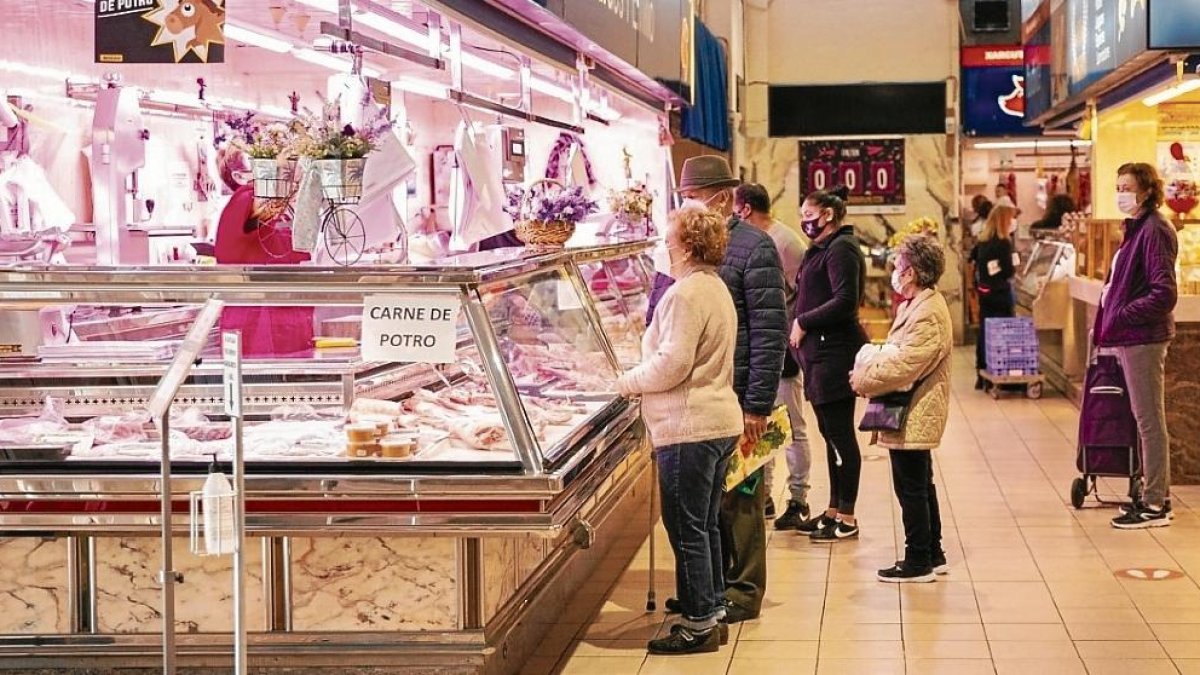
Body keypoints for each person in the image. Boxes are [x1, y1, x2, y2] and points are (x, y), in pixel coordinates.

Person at [649, 156, 787, 624]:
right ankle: (707, 588)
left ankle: (744, 591)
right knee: (707, 505)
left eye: (694, 197)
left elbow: (769, 330)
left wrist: (758, 404)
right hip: (697, 398)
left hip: (738, 395)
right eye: (684, 198)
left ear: (724, 198)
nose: (688, 206)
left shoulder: (754, 246)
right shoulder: (684, 247)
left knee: (742, 495)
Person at [617, 203, 743, 654]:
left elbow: (674, 363)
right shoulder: (713, 287)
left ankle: (698, 625)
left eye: (669, 238)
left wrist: (626, 383)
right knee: (704, 522)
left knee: (686, 525)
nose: (665, 245)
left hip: (690, 426)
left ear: (687, 245)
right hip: (715, 420)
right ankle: (707, 602)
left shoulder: (685, 294)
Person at [850, 235, 953, 583]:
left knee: (911, 486)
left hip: (916, 409)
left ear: (912, 272)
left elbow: (906, 364)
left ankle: (918, 560)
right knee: (920, 483)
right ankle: (932, 551)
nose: (894, 271)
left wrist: (863, 377)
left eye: (898, 266)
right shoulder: (916, 304)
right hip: (911, 408)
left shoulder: (927, 312)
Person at [1099, 162, 1179, 530]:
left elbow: (1163, 293)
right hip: (1132, 336)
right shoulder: (1136, 229)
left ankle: (1156, 502)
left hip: (1144, 337)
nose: (1121, 194)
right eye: (1117, 186)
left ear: (1146, 190)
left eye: (1127, 187)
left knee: (1149, 419)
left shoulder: (1155, 230)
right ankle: (1151, 495)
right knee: (1144, 417)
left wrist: (1124, 313)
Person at [789, 186, 868, 542]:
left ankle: (847, 517)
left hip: (835, 356)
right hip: (818, 358)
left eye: (810, 216)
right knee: (829, 437)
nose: (805, 223)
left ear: (829, 216)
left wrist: (803, 321)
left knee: (840, 438)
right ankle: (835, 508)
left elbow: (845, 301)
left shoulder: (842, 249)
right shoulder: (820, 249)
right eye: (802, 217)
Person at [733, 183, 813, 528]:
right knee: (760, 430)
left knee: (792, 426)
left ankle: (798, 498)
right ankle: (763, 495)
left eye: (735, 211)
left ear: (746, 209)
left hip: (782, 350)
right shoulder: (763, 240)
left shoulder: (781, 241)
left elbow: (796, 298)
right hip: (762, 350)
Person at [214, 148, 314, 358]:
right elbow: (266, 208)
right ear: (240, 177)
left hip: (285, 320)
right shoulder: (245, 200)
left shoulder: (280, 207)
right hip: (257, 325)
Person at [969, 205, 1017, 389]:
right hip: (1001, 294)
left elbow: (973, 260)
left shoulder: (982, 241)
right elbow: (1008, 270)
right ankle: (1002, 372)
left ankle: (981, 374)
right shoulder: (1004, 243)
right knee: (1003, 333)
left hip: (985, 292)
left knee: (985, 332)